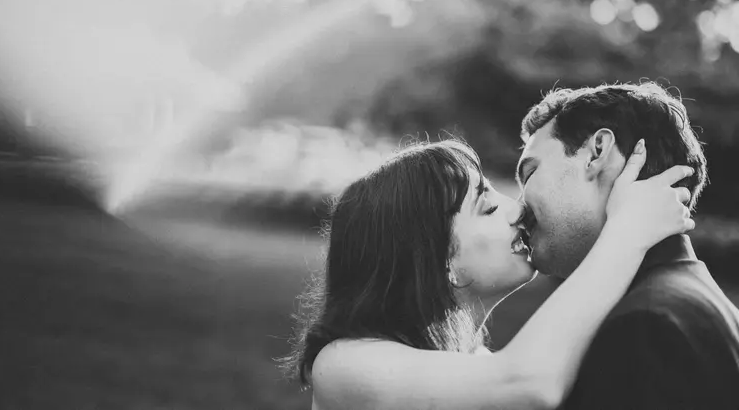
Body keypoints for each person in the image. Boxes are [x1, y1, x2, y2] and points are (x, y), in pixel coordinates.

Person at [280, 135, 694, 410]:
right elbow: (530, 384)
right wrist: (627, 231)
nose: (518, 209)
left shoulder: (474, 360)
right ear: (437, 259)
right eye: (489, 207)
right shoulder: (344, 367)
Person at [517, 82, 739, 409]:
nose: (518, 207)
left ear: (597, 151)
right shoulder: (698, 305)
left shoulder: (644, 326)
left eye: (530, 172)